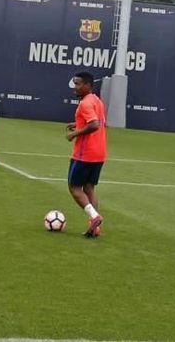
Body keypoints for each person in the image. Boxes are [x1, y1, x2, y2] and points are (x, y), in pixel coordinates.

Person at [65, 70, 106, 238]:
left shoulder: (85, 104)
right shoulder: (96, 100)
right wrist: (78, 124)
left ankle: (95, 216)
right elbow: (98, 122)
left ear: (88, 85)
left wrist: (74, 134)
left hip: (85, 154)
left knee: (74, 187)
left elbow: (95, 125)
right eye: (75, 83)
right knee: (89, 188)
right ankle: (94, 227)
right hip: (99, 153)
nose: (75, 87)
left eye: (78, 84)